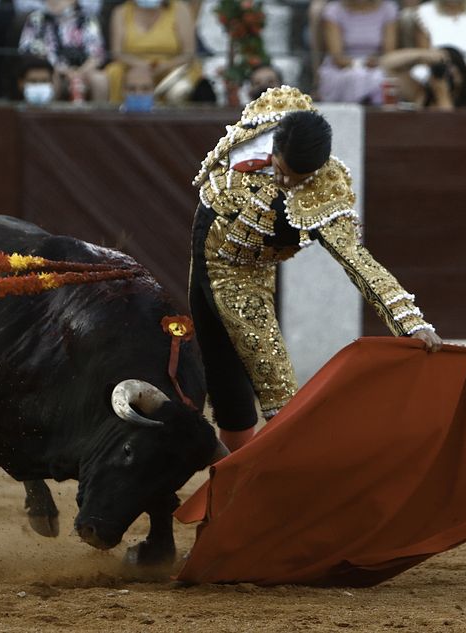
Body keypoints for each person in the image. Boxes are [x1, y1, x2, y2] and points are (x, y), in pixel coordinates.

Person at [188, 86, 442, 452]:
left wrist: (411, 322)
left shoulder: (324, 191)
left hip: (244, 278)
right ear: (274, 147)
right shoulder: (274, 110)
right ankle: (231, 487)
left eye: (299, 177)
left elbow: (358, 260)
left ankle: (284, 488)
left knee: (281, 398)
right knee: (226, 388)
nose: (289, 183)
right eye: (283, 172)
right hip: (202, 251)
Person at [105, 0, 200, 104]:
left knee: (179, 88)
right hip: (131, 66)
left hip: (171, 66)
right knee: (114, 72)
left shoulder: (180, 9)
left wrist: (165, 65)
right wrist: (141, 66)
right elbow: (117, 53)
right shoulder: (121, 12)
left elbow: (189, 54)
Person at [17, 0, 107, 102]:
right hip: (53, 69)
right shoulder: (36, 18)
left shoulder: (87, 18)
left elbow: (97, 53)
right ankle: (51, 116)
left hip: (83, 70)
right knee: (51, 77)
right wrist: (62, 70)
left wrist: (78, 73)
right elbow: (28, 50)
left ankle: (96, 117)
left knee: (100, 79)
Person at [315, 0, 398, 104]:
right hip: (341, 69)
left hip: (378, 65)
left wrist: (376, 62)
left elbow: (389, 53)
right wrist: (362, 63)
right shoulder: (333, 11)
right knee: (357, 77)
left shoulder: (388, 9)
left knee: (381, 77)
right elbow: (337, 57)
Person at [379, 46, 466, 109]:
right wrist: (422, 55)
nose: (446, 74)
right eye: (443, 69)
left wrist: (443, 96)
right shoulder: (421, 94)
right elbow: (387, 64)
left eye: (451, 68)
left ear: (462, 73)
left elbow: (451, 129)